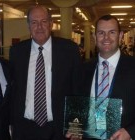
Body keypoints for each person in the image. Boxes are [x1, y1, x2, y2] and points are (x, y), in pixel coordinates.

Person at [9, 5, 82, 140]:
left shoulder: (69, 50)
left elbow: (77, 88)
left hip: (59, 128)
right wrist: (12, 123)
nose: (39, 27)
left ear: (51, 23)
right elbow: (13, 89)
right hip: (24, 128)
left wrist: (76, 124)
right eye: (34, 22)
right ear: (28, 26)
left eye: (43, 21)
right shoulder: (17, 51)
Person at [67, 15, 135, 140]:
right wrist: (75, 127)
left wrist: (131, 132)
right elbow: (77, 104)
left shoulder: (133, 67)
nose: (106, 38)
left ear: (120, 36)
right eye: (101, 33)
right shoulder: (83, 69)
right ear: (94, 37)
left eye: (112, 32)